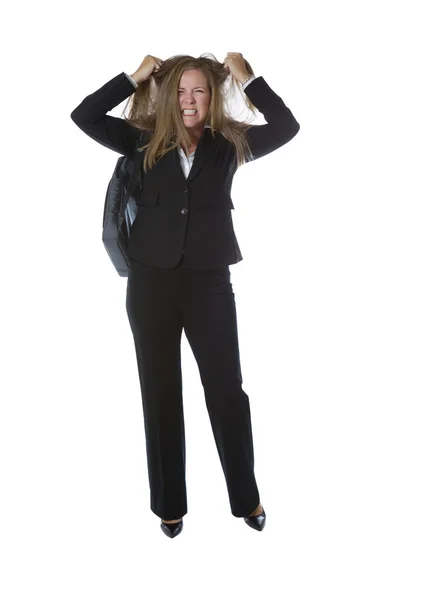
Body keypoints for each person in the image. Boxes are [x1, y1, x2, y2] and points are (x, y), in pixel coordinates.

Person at [70, 52, 300, 538]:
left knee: (226, 391)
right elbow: (84, 115)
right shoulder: (141, 139)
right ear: (166, 94)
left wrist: (247, 77)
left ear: (212, 95)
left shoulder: (229, 144)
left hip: (209, 283)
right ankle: (168, 505)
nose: (189, 100)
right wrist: (134, 78)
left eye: (198, 90)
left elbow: (287, 125)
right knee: (159, 393)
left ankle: (247, 497)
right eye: (179, 90)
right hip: (150, 283)